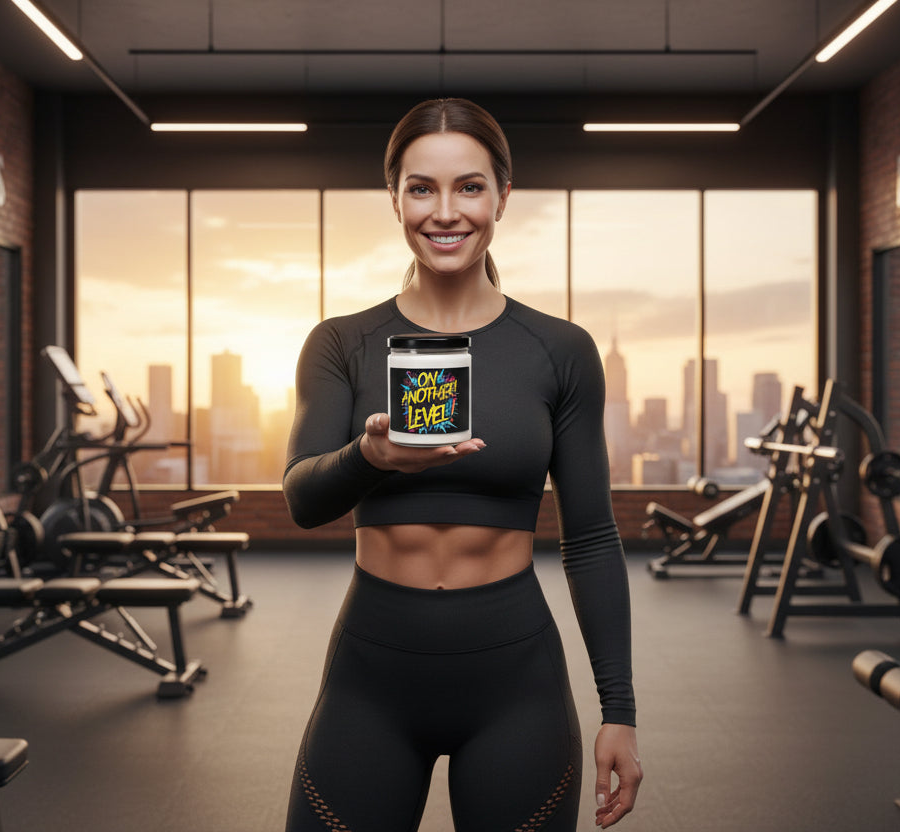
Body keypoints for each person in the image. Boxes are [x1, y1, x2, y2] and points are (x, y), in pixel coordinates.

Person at [283, 97, 640, 831]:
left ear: (503, 196)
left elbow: (593, 537)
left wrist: (621, 711)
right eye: (422, 188)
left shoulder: (560, 350)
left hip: (516, 681)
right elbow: (302, 499)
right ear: (395, 199)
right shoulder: (341, 343)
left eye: (469, 187)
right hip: (370, 678)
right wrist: (370, 457)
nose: (445, 212)